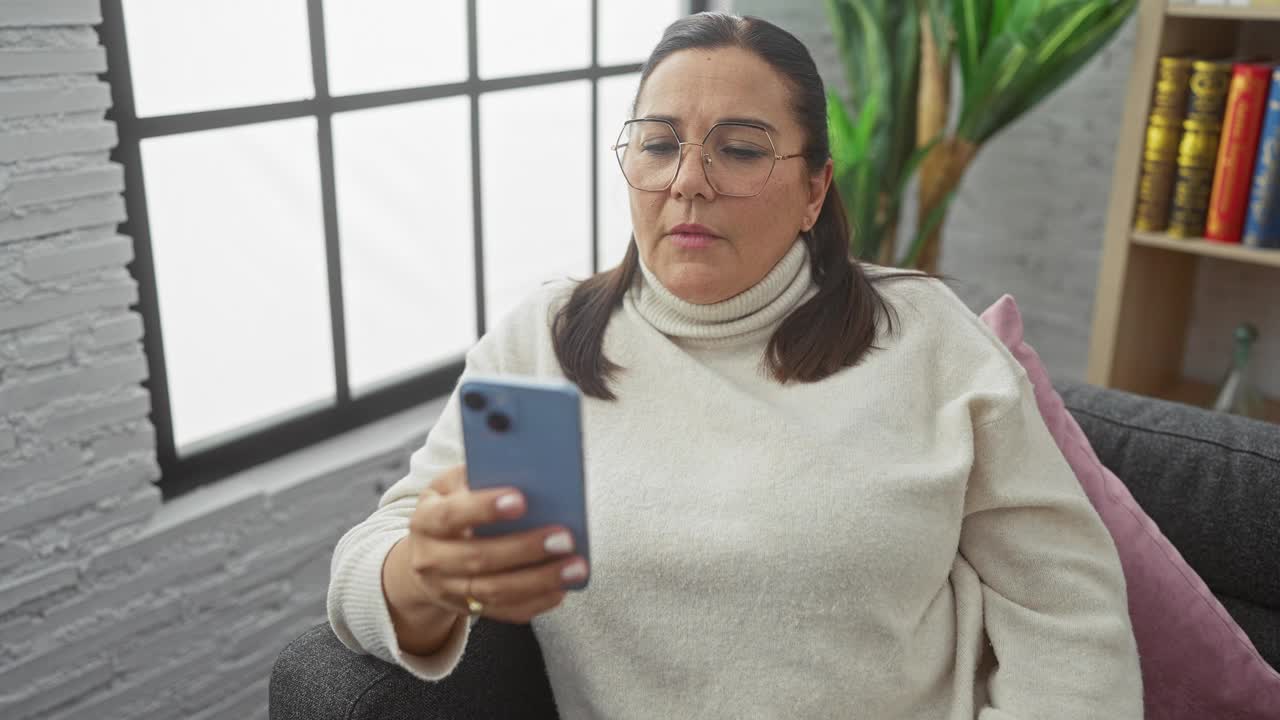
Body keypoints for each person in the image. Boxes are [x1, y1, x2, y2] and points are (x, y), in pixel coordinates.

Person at [327, 12, 1142, 719]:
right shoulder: (544, 342)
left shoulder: (930, 339)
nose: (688, 183)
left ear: (815, 190)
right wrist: (425, 576)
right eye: (658, 145)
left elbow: (1067, 606)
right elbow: (365, 570)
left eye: (741, 151)